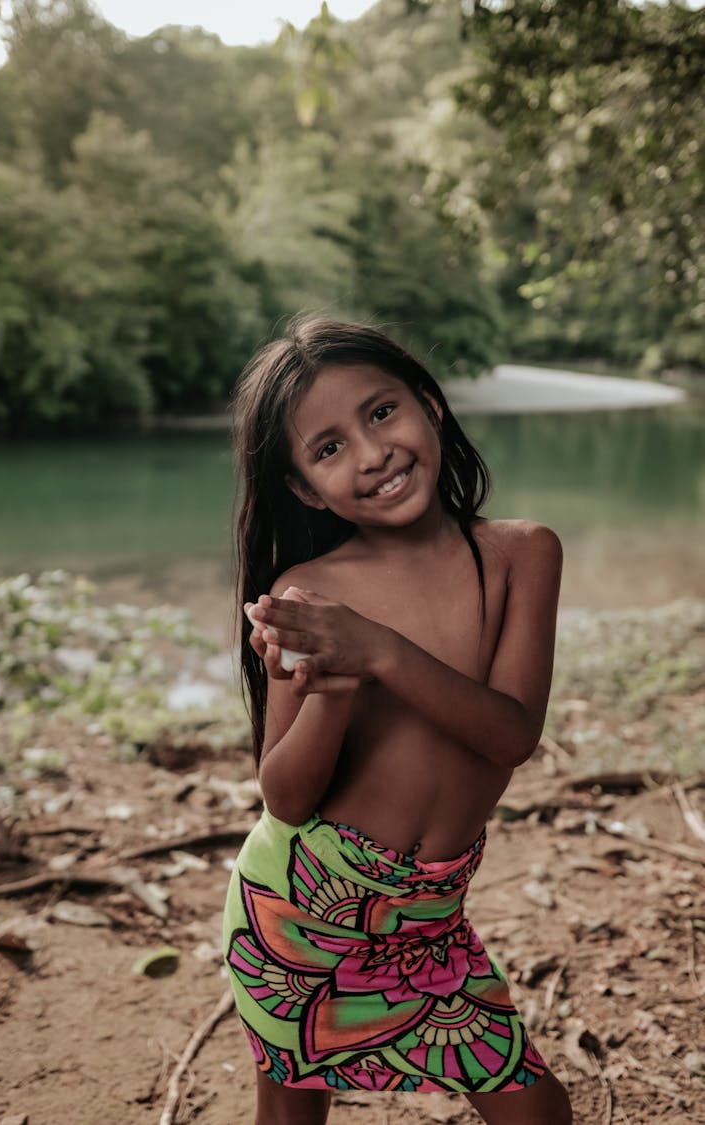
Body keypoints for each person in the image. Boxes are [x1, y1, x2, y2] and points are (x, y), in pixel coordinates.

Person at [223, 317, 572, 1125]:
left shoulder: (522, 554)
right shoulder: (307, 588)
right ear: (306, 488)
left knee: (535, 1110)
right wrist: (334, 692)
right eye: (329, 447)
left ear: (430, 405)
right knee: (289, 1116)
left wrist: (377, 649)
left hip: (429, 923)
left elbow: (512, 732)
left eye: (381, 413)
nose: (372, 452)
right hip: (298, 907)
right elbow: (284, 795)